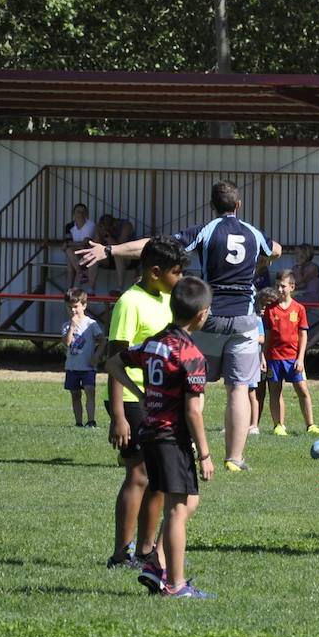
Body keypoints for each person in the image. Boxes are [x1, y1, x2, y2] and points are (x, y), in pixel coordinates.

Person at [78, 180, 283, 472]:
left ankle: (185, 443)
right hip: (245, 320)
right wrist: (263, 261)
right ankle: (234, 458)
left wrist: (111, 251)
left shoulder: (206, 231)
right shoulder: (252, 233)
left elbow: (154, 246)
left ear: (213, 206)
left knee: (192, 388)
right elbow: (276, 249)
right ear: (238, 205)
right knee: (238, 389)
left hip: (207, 317)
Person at [104, 276, 216, 599]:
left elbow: (113, 362)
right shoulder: (192, 355)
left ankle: (156, 562)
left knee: (187, 502)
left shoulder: (154, 343)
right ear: (202, 314)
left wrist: (139, 391)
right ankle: (176, 585)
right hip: (171, 437)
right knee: (179, 510)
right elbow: (193, 412)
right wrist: (205, 455)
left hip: (149, 432)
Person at [101, 238, 188, 571]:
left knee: (158, 477)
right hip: (133, 398)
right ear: (155, 271)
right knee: (137, 474)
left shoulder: (167, 298)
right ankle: (121, 553)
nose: (179, 278)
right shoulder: (129, 303)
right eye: (175, 272)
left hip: (160, 400)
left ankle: (146, 550)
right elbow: (114, 360)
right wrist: (119, 415)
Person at [263, 270, 319, 437]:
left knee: (302, 390)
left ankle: (311, 425)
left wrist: (300, 358)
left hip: (293, 358)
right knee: (275, 391)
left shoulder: (299, 309)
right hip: (274, 358)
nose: (279, 289)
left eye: (283, 286)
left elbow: (303, 334)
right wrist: (263, 357)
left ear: (292, 287)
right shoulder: (270, 310)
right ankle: (279, 425)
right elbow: (267, 336)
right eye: (277, 285)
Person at [61, 288, 104, 427]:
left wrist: (97, 355)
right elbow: (67, 343)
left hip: (88, 366)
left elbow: (103, 340)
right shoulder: (66, 326)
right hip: (72, 367)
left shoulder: (91, 324)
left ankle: (91, 421)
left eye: (76, 306)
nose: (73, 310)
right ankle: (78, 422)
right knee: (75, 394)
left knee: (90, 391)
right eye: (69, 307)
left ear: (84, 305)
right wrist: (72, 327)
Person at [249, 287, 279, 436]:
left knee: (276, 391)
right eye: (263, 304)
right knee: (256, 392)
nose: (265, 308)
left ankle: (279, 424)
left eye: (269, 305)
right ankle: (253, 424)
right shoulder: (256, 318)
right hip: (257, 359)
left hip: (275, 358)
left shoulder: (277, 318)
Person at [64, 203, 97, 291]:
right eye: (78, 212)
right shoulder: (69, 226)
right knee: (69, 252)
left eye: (83, 212)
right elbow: (67, 242)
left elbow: (85, 243)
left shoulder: (91, 225)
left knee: (69, 252)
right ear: (74, 213)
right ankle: (80, 274)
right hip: (76, 253)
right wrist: (71, 244)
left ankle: (70, 288)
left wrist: (71, 244)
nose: (81, 214)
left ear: (86, 214)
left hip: (88, 252)